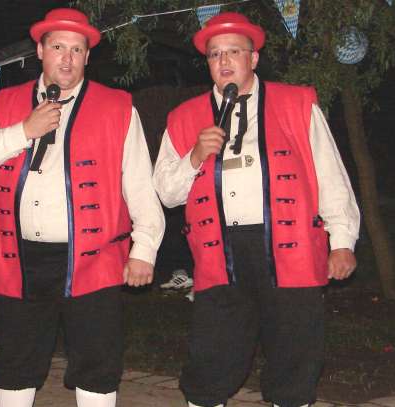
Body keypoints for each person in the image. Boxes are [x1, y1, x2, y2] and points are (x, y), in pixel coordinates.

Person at [0, 7, 164, 407]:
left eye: (76, 49)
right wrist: (24, 130)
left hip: (95, 258)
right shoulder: (3, 104)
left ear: (87, 56)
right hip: (19, 257)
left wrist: (144, 249)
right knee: (17, 358)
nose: (67, 59)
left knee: (96, 359)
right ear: (40, 51)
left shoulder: (117, 107)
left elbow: (140, 184)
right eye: (57, 47)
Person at [153, 12, 360, 407]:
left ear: (254, 58)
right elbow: (166, 193)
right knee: (211, 356)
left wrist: (342, 241)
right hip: (220, 254)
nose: (224, 61)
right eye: (215, 54)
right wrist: (195, 156)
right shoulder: (184, 117)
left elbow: (330, 176)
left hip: (292, 248)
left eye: (234, 51)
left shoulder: (296, 104)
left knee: (294, 358)